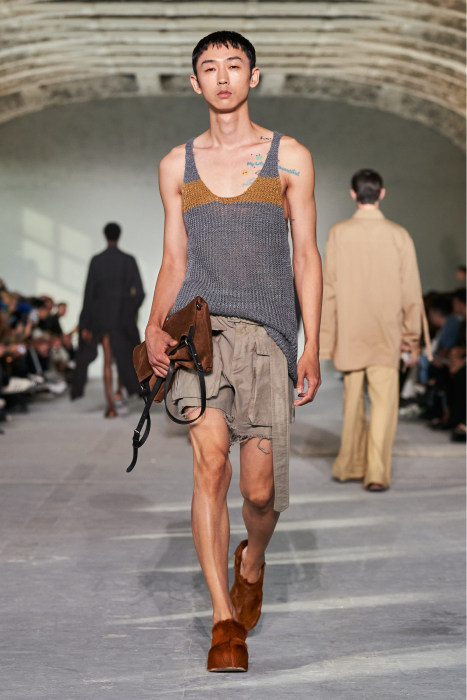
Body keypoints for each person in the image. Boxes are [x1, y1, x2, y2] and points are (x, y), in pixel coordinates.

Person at [144, 30, 322, 672]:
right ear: (195, 83)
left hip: (269, 336)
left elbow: (306, 256)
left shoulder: (289, 158)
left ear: (254, 75)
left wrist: (312, 342)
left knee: (260, 491)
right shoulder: (176, 165)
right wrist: (153, 325)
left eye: (234, 65)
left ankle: (252, 558)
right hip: (199, 336)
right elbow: (174, 258)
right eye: (210, 68)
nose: (222, 77)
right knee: (210, 465)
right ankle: (224, 620)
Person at [320, 169, 427, 492]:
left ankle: (351, 465)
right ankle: (377, 472)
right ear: (381, 193)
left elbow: (329, 290)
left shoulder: (339, 233)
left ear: (353, 194)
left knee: (352, 404)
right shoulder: (399, 235)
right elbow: (411, 290)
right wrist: (412, 338)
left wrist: (324, 341)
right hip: (386, 333)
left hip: (350, 332)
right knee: (384, 406)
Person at [71, 223, 145, 417]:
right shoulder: (128, 260)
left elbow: (89, 294)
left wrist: (86, 323)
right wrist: (128, 310)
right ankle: (119, 395)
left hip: (101, 319)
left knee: (107, 360)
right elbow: (140, 292)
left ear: (105, 236)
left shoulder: (96, 261)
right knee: (122, 357)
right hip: (121, 319)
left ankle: (110, 406)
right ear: (119, 236)